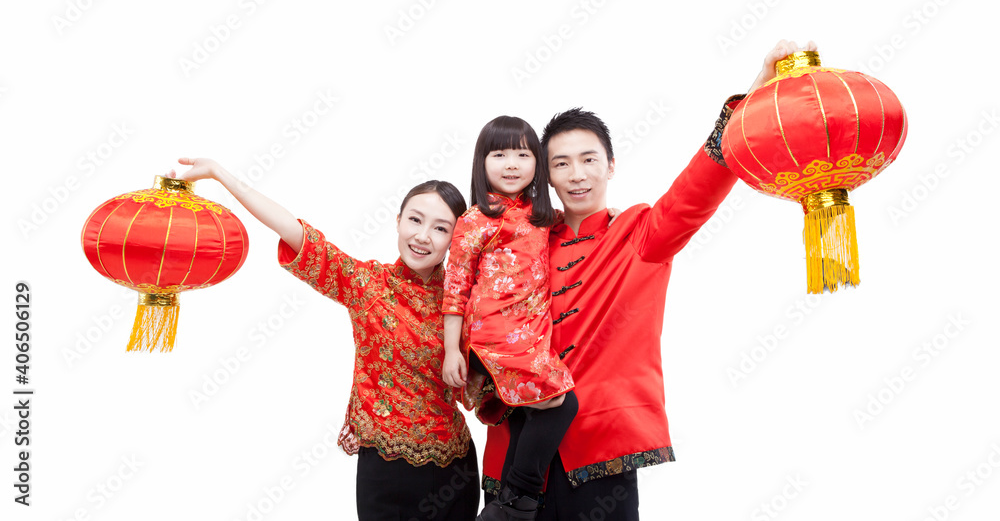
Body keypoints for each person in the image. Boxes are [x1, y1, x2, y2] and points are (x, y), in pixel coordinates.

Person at [480, 40, 817, 520]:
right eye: (561, 163)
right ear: (547, 178)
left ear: (611, 166)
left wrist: (753, 94)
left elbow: (696, 189)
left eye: (589, 159)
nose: (577, 174)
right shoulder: (521, 242)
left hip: (599, 457)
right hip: (514, 455)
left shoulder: (640, 235)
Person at [167, 159, 479, 521]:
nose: (423, 235)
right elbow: (296, 233)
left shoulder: (465, 299)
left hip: (457, 468)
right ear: (398, 221)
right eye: (415, 219)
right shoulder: (366, 284)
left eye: (441, 228)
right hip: (388, 470)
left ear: (455, 240)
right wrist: (220, 175)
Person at [440, 116, 579, 520]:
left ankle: (505, 504)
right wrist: (453, 350)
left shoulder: (542, 215)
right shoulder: (475, 220)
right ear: (481, 163)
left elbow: (573, 222)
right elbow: (456, 289)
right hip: (495, 333)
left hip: (528, 334)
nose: (512, 163)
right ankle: (521, 498)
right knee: (560, 402)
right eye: (499, 154)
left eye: (522, 153)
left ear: (537, 162)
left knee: (530, 413)